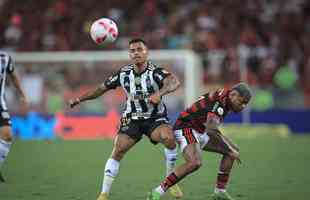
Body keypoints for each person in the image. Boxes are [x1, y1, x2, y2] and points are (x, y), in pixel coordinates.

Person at [69, 38, 183, 200]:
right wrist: (79, 99)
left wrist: (160, 93)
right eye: (133, 50)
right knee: (118, 150)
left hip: (155, 119)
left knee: (169, 138)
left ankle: (171, 180)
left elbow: (174, 82)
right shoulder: (123, 74)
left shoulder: (155, 71)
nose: (136, 53)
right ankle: (103, 194)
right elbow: (100, 89)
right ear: (129, 54)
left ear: (146, 52)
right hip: (132, 119)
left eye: (139, 49)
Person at [147, 83, 252, 200]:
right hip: (185, 126)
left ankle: (220, 192)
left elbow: (211, 128)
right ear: (233, 94)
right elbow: (212, 130)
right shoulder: (220, 103)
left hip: (201, 130)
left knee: (233, 150)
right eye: (241, 102)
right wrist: (229, 148)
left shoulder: (226, 99)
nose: (242, 106)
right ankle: (156, 192)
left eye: (245, 104)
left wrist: (230, 148)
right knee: (195, 162)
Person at [0, 51, 28, 183]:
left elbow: (13, 77)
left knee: (8, 135)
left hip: (0, 103)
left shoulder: (5, 58)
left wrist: (22, 94)